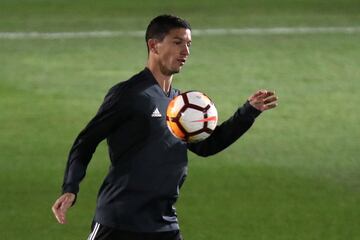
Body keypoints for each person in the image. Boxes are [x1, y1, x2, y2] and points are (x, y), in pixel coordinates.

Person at [51, 14, 278, 240]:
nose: (185, 52)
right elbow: (86, 141)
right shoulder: (129, 94)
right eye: (178, 42)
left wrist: (249, 111)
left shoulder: (181, 104)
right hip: (120, 221)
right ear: (154, 45)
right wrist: (71, 187)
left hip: (163, 223)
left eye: (189, 44)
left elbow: (208, 146)